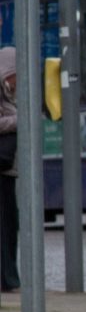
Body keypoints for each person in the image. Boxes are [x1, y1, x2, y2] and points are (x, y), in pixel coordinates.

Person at [0, 48, 18, 291]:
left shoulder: (10, 94)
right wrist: (19, 121)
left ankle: (9, 277)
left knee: (11, 226)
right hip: (2, 169)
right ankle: (7, 279)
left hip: (8, 169)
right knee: (6, 226)